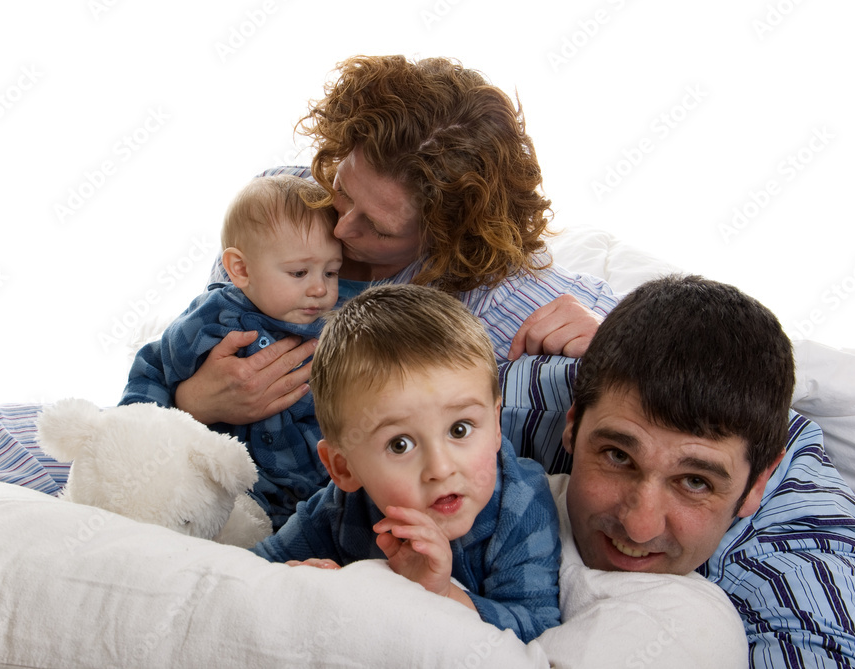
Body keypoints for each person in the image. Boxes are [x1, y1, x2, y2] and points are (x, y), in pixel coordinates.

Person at [173, 54, 620, 430]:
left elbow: (678, 354)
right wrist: (192, 402)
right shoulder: (283, 201)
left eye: (380, 228)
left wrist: (615, 344)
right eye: (344, 191)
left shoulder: (496, 301)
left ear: (447, 237)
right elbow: (199, 331)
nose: (342, 228)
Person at [522, 275, 855, 667]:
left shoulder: (804, 570)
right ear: (573, 423)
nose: (640, 526)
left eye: (695, 482)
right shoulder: (516, 405)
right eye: (618, 457)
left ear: (758, 482)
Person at [251, 284, 562, 644]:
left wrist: (443, 595)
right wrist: (292, 579)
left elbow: (539, 632)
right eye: (400, 444)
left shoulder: (522, 505)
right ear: (344, 468)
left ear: (495, 426)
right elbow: (251, 571)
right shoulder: (341, 508)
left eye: (459, 429)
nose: (441, 469)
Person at [120, 174, 342, 528]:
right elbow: (153, 365)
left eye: (331, 272)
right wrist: (140, 434)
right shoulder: (214, 319)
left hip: (307, 492)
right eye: (299, 272)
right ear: (240, 269)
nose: (319, 288)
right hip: (225, 482)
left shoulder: (334, 333)